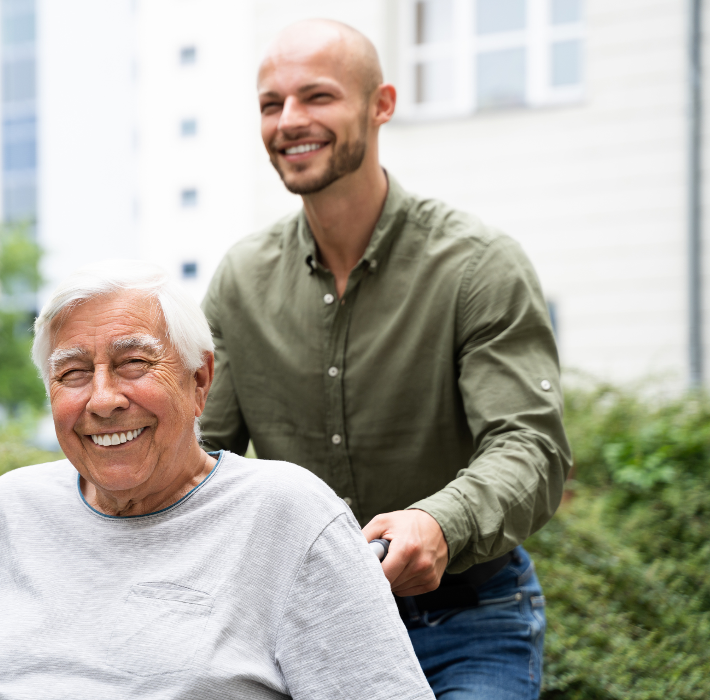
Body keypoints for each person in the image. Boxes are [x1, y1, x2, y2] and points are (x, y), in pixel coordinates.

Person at [200, 19, 572, 699]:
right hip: (304, 624)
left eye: (317, 97)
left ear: (382, 104)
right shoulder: (239, 280)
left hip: (469, 618)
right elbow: (201, 458)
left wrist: (440, 523)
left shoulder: (477, 266)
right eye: (270, 104)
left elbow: (531, 447)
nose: (289, 121)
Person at [0, 261, 435, 700]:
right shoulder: (2, 512)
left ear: (199, 382)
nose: (103, 399)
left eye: (134, 363)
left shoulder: (288, 515)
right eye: (74, 373)